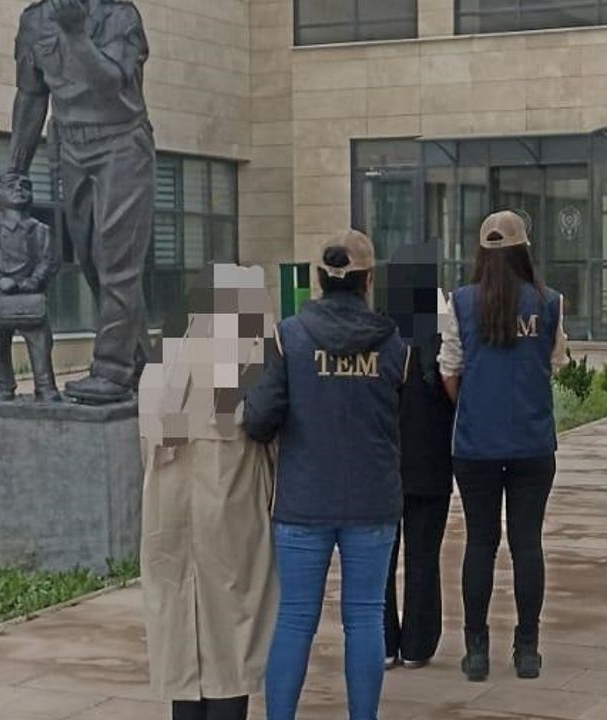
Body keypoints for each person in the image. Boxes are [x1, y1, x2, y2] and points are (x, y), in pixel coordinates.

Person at [244, 230, 409, 720]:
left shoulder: (289, 336)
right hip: (373, 499)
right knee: (365, 617)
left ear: (318, 278)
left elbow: (258, 420)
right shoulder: (394, 342)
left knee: (295, 618)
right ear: (369, 280)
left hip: (303, 499)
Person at [138, 264, 279, 720]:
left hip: (169, 519)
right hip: (231, 518)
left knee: (181, 637)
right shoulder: (250, 357)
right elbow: (270, 434)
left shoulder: (165, 360)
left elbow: (147, 442)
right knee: (232, 639)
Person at [438, 211, 570, 682]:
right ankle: (527, 648)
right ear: (524, 250)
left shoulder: (461, 302)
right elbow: (556, 362)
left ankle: (476, 651)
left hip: (476, 445)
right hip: (532, 442)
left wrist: (476, 403)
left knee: (480, 543)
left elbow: (449, 370)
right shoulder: (549, 302)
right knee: (527, 543)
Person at [8, 0, 155, 404]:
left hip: (121, 143)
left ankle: (112, 370)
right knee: (92, 261)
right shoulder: (34, 19)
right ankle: (139, 359)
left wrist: (75, 35)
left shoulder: (120, 15)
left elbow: (111, 86)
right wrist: (16, 167)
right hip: (71, 148)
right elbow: (30, 95)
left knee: (116, 260)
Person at [383, 241, 455, 671]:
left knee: (381, 560)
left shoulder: (379, 339)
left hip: (384, 465)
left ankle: (384, 642)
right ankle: (418, 644)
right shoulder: (443, 337)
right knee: (424, 556)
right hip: (431, 464)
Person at [0, 171, 61, 403]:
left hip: (32, 295)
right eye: (11, 186)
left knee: (40, 343)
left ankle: (45, 386)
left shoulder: (41, 230)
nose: (19, 189)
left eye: (25, 185)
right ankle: (1, 386)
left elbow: (49, 260)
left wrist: (36, 280)